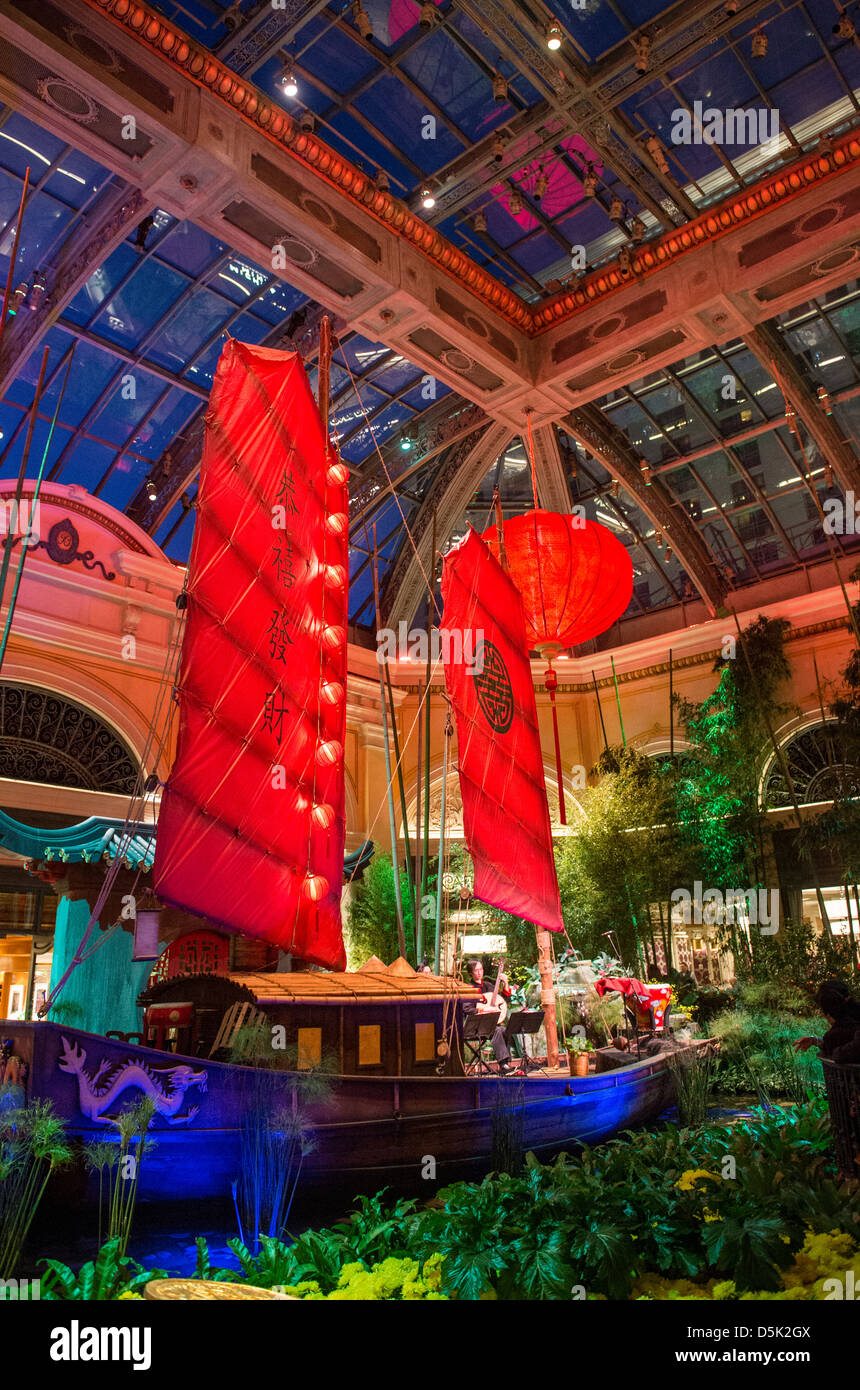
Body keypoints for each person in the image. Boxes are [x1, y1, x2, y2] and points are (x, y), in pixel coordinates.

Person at [463, 959, 515, 1074]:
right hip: (476, 1027)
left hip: (490, 1025)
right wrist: (484, 1009)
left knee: (505, 1030)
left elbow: (504, 1001)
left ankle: (506, 1063)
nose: (479, 972)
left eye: (480, 969)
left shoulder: (488, 986)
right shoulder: (468, 989)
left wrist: (505, 983)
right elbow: (466, 1009)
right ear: (470, 973)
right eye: (476, 970)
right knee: (497, 1030)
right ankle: (503, 1064)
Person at [794, 980, 860, 1063]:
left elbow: (849, 1049)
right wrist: (815, 1041)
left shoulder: (845, 1026)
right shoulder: (848, 1022)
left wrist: (835, 1052)